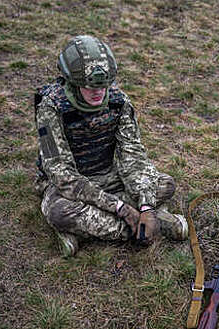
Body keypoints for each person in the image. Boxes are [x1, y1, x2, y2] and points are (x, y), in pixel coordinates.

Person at [34, 35, 188, 257]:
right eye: (89, 87)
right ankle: (157, 225)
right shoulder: (51, 108)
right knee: (59, 213)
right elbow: (61, 174)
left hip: (107, 174)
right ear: (74, 83)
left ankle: (90, 229)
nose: (98, 92)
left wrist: (145, 205)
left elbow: (132, 155)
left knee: (164, 184)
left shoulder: (119, 102)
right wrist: (122, 209)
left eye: (104, 85)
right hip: (68, 186)